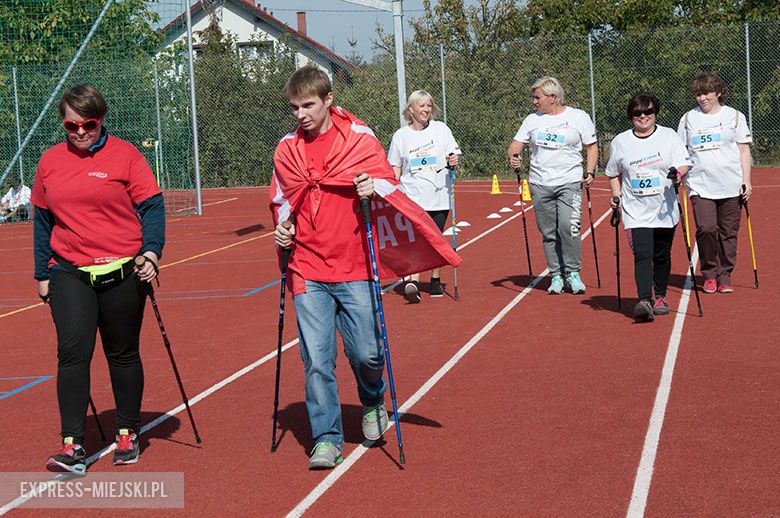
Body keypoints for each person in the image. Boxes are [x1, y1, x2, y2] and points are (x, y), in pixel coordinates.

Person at [270, 65, 459, 470]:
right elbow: (283, 200)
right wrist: (283, 231)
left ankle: (373, 400)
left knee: (368, 354)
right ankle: (326, 437)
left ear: (328, 100)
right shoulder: (286, 149)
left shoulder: (358, 139)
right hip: (307, 268)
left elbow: (390, 182)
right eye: (294, 107)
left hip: (354, 264)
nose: (300, 114)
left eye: (308, 105)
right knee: (317, 360)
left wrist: (374, 188)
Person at [32, 84, 165, 474]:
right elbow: (42, 222)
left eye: (87, 125)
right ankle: (72, 445)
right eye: (71, 126)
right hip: (69, 270)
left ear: (100, 120)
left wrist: (151, 252)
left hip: (123, 268)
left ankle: (127, 431)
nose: (80, 133)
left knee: (121, 353)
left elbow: (152, 208)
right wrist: (42, 273)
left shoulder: (125, 156)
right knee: (73, 353)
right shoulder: (50, 161)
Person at [507, 76, 598, 294]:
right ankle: (556, 275)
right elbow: (515, 145)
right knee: (549, 232)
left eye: (537, 97)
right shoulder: (532, 120)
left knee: (569, 227)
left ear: (552, 97)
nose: (534, 102)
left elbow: (592, 147)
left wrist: (590, 171)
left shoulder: (579, 117)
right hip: (540, 183)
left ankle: (573, 272)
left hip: (570, 181)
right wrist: (514, 156)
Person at [606, 93, 691, 322]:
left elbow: (684, 163)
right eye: (637, 113)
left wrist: (678, 173)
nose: (643, 116)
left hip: (664, 208)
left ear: (655, 113)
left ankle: (661, 296)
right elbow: (613, 173)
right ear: (631, 115)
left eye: (648, 112)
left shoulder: (669, 136)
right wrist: (616, 194)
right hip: (636, 210)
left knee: (661, 255)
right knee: (643, 254)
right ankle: (644, 300)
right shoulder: (621, 142)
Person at [677, 72, 752, 294]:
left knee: (728, 233)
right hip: (701, 186)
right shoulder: (688, 119)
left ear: (718, 92)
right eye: (698, 94)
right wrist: (680, 174)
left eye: (707, 93)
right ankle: (709, 272)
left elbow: (743, 150)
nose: (702, 98)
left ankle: (725, 274)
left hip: (731, 184)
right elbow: (681, 152)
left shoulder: (735, 117)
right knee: (707, 228)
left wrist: (746, 180)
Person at [387, 90, 461, 302]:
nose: (426, 110)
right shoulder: (401, 136)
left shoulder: (441, 129)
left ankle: (435, 278)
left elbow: (453, 153)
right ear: (411, 109)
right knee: (415, 240)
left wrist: (453, 160)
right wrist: (392, 191)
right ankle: (413, 281)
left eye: (429, 106)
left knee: (435, 240)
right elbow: (396, 167)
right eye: (421, 106)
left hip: (439, 195)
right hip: (412, 196)